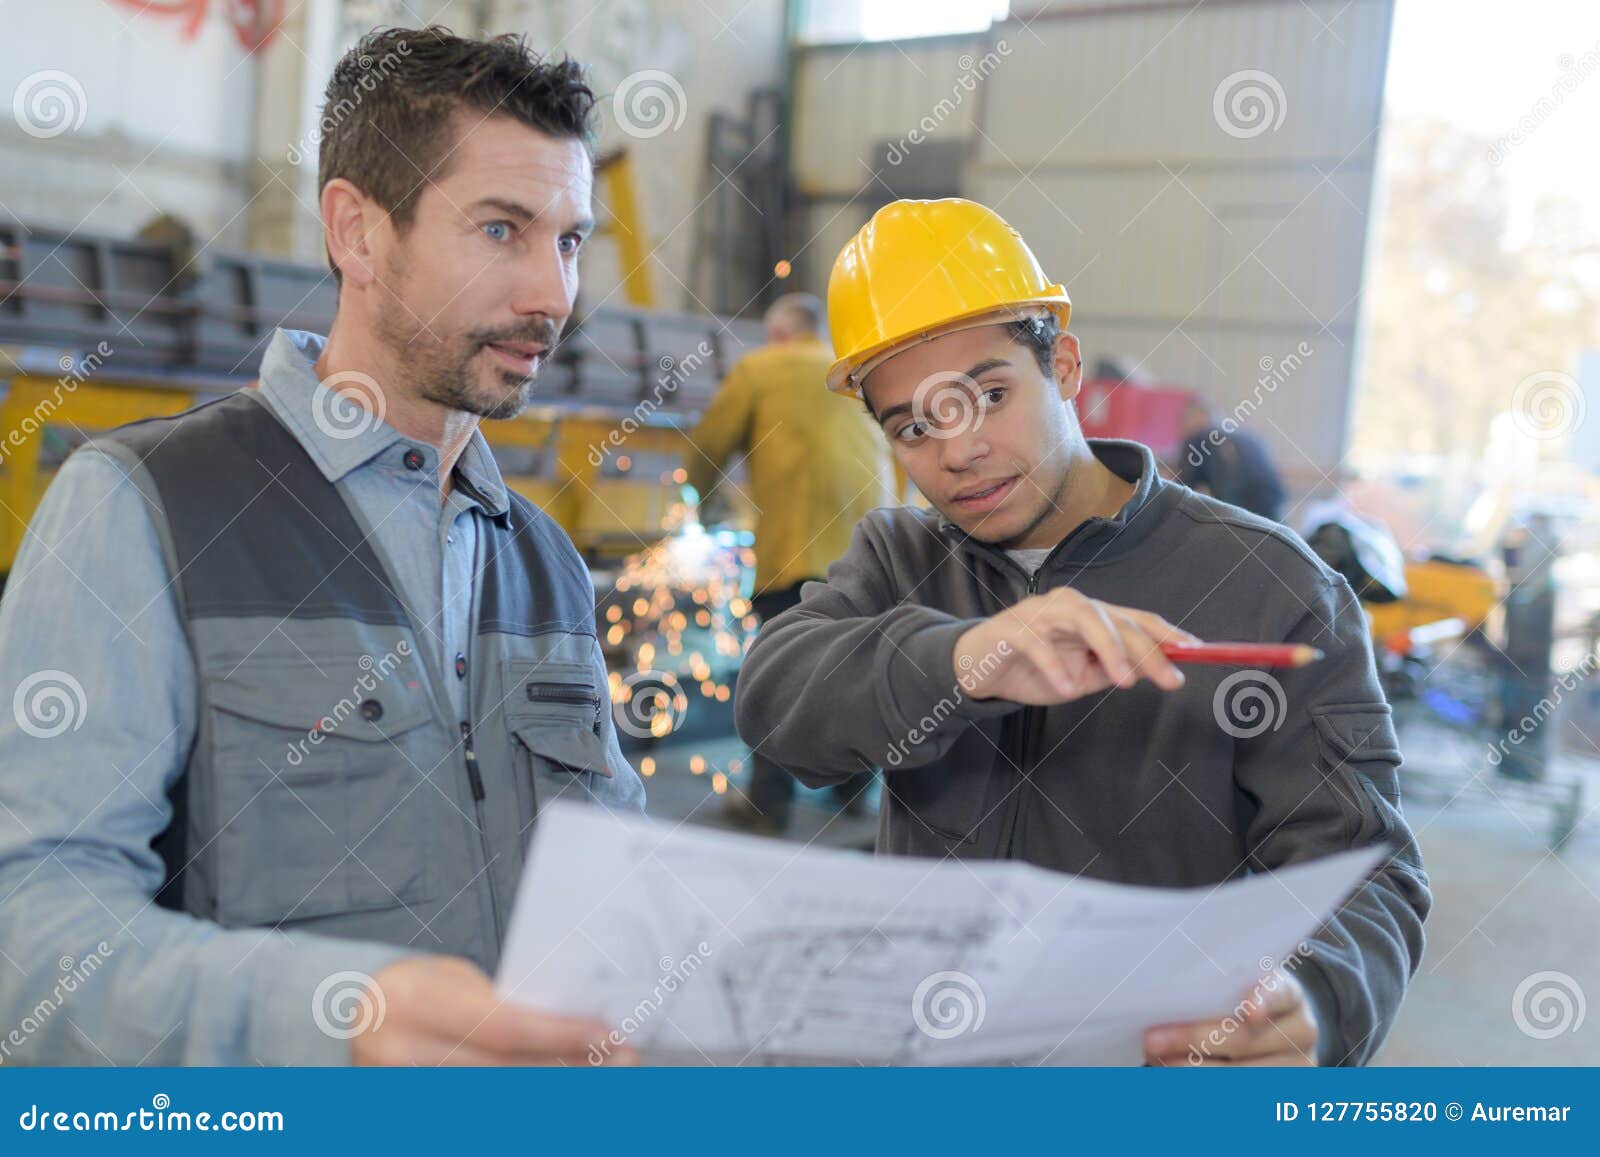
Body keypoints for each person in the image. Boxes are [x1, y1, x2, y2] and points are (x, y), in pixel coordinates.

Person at [0, 27, 644, 1066]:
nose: (553, 295)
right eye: (500, 229)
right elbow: (27, 934)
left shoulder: (546, 566)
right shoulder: (143, 506)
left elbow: (616, 890)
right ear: (356, 232)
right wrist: (333, 1014)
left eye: (569, 240)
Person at [733, 198, 1430, 1066]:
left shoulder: (1268, 585)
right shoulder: (899, 556)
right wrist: (962, 658)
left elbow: (1364, 869)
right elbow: (775, 706)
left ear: (1061, 364)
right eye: (914, 425)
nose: (960, 451)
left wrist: (1317, 997)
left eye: (990, 394)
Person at [686, 293, 894, 834]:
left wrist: (699, 506)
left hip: (797, 550)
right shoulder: (858, 373)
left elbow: (709, 443)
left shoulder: (761, 367)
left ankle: (767, 808)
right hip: (874, 551)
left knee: (779, 678)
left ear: (778, 335)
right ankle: (855, 796)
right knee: (852, 673)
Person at [1178, 399, 1287, 521]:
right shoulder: (1247, 436)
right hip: (1272, 504)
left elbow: (1182, 489)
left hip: (1238, 506)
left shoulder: (1198, 438)